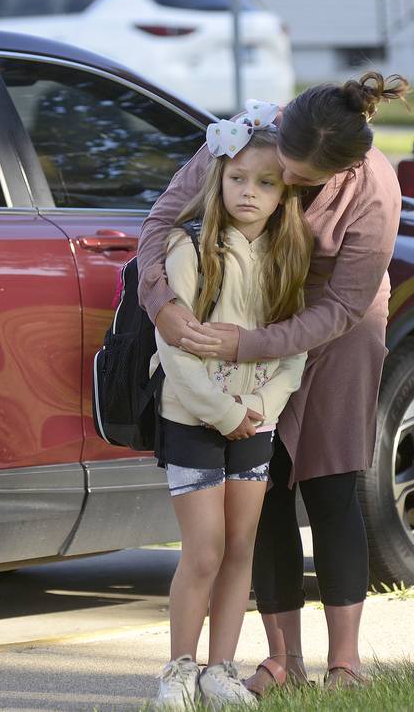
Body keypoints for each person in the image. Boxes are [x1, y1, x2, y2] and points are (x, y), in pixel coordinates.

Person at [139, 72, 409, 694]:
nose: (282, 184)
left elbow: (343, 306)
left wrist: (251, 344)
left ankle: (345, 663)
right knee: (266, 490)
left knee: (333, 483)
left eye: (302, 181)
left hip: (336, 333)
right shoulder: (242, 138)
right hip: (248, 317)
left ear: (343, 170)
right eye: (282, 166)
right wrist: (165, 306)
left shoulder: (375, 189)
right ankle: (281, 660)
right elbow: (160, 223)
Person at [152, 116, 311, 710]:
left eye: (266, 183)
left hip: (256, 421)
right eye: (238, 178)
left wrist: (261, 408)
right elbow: (177, 349)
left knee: (242, 545)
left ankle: (221, 668)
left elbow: (293, 347)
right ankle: (178, 669)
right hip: (194, 418)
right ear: (218, 179)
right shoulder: (187, 248)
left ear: (283, 194)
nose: (249, 192)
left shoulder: (289, 257)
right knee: (204, 550)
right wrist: (223, 412)